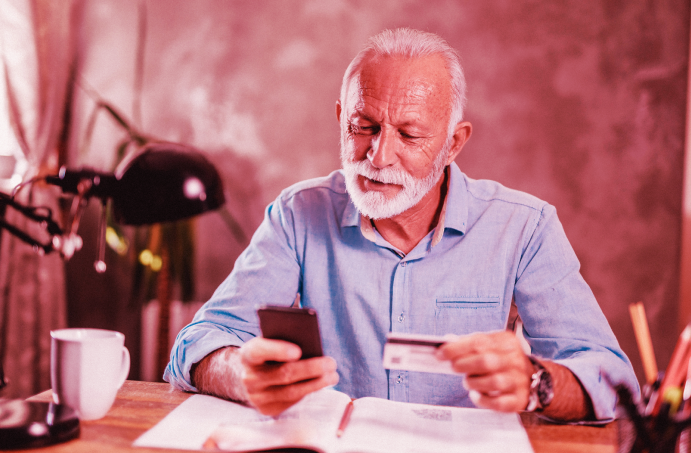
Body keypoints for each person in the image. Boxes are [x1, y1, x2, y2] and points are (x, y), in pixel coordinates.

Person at [165, 28, 638, 421]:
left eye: (409, 135)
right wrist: (238, 372)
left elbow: (614, 380)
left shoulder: (525, 227)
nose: (378, 156)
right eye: (363, 126)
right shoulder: (297, 214)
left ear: (453, 144)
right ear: (340, 119)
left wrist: (537, 381)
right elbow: (199, 341)